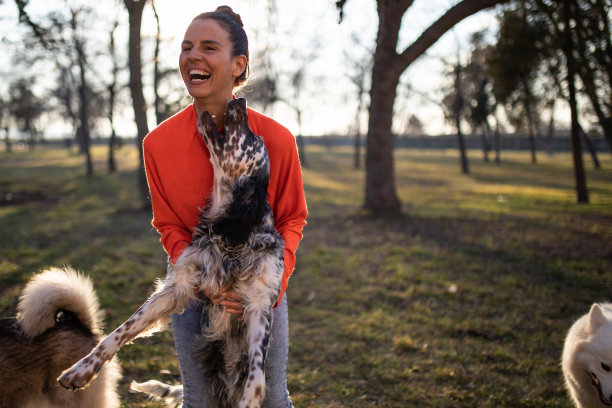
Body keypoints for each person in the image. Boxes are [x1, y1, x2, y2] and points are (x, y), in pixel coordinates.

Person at [142, 6, 307, 408]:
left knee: (269, 398)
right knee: (201, 399)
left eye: (208, 47)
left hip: (259, 280)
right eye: (186, 47)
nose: (193, 56)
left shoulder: (277, 139)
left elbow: (291, 218)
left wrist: (270, 288)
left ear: (238, 65)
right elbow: (167, 224)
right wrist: (202, 280)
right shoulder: (157, 144)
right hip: (195, 278)